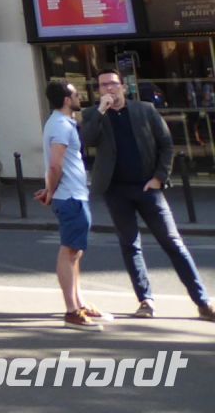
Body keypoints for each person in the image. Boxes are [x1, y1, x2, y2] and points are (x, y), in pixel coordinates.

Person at [80, 68, 215, 321]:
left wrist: (159, 178)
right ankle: (145, 300)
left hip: (147, 188)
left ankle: (203, 302)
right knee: (130, 245)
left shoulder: (144, 110)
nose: (109, 88)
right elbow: (86, 140)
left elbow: (166, 144)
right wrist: (100, 111)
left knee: (173, 243)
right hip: (116, 190)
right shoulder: (92, 115)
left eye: (113, 83)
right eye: (103, 85)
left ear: (123, 87)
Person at [35, 79, 107, 330]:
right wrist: (52, 191)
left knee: (75, 252)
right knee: (69, 252)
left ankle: (79, 303)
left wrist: (49, 190)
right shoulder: (60, 125)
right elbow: (56, 164)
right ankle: (72, 311)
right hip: (70, 197)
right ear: (67, 100)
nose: (79, 97)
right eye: (76, 94)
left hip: (71, 195)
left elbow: (57, 165)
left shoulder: (62, 122)